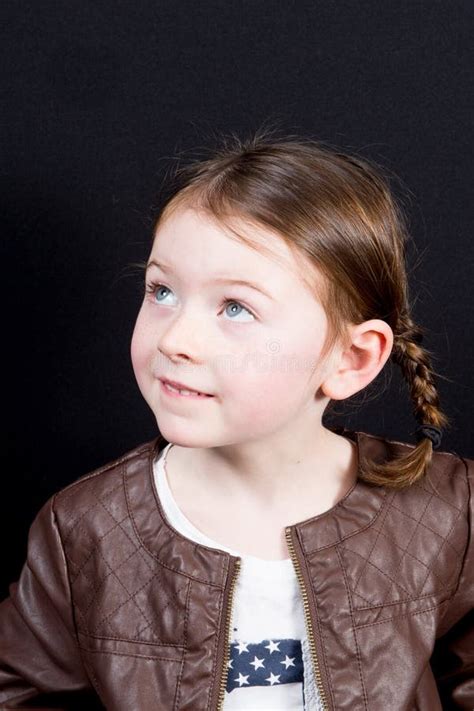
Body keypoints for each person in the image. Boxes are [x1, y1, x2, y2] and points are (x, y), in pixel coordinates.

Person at [0, 129, 472, 711]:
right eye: (162, 291)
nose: (177, 339)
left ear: (350, 359)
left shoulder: (449, 512)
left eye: (236, 308)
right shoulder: (86, 530)